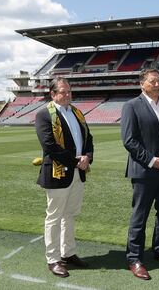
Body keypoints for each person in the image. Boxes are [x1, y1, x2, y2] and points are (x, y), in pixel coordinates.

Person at [120, 68, 159, 281]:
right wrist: (153, 161)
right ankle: (134, 258)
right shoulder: (131, 106)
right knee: (140, 215)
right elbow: (129, 140)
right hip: (145, 170)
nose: (157, 84)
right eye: (153, 81)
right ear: (142, 84)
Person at [35, 77, 94, 278]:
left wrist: (88, 157)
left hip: (78, 172)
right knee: (54, 216)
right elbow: (49, 145)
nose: (67, 95)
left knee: (70, 214)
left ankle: (68, 253)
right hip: (58, 172)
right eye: (62, 92)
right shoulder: (44, 114)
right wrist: (76, 161)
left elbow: (89, 139)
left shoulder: (77, 112)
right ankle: (53, 259)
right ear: (53, 94)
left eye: (69, 91)